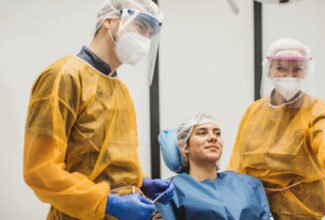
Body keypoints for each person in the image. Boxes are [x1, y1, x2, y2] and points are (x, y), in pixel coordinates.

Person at [23, 0, 174, 219]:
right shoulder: (64, 76)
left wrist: (141, 182)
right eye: (141, 27)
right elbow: (41, 170)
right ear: (109, 21)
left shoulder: (120, 89)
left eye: (151, 34)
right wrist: (107, 202)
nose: (145, 40)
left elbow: (111, 160)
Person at [228, 38, 325, 219]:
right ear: (269, 70)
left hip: (308, 210)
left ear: (305, 71)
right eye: (281, 68)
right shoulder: (254, 111)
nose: (289, 75)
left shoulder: (315, 110)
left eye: (297, 69)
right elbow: (237, 163)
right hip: (259, 209)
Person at [156, 113, 270, 220]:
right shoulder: (170, 191)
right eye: (202, 133)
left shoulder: (249, 185)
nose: (213, 138)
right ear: (184, 146)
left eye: (217, 133)